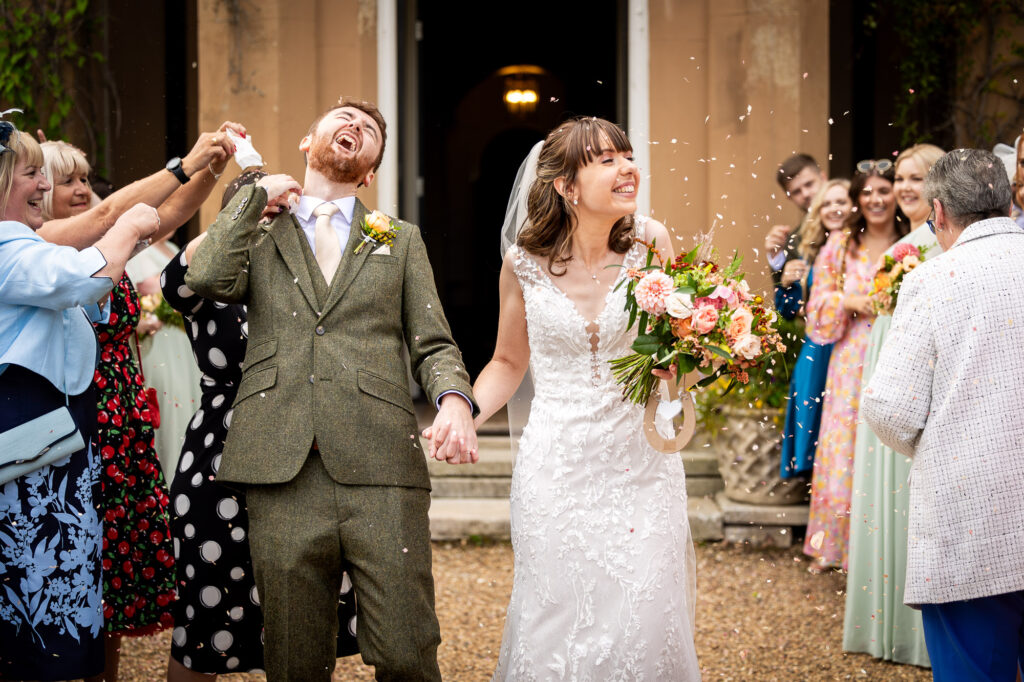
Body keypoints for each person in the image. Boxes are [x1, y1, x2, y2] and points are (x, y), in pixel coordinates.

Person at [185, 98, 478, 681]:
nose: (355, 128)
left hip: (381, 464)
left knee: (406, 649)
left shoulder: (399, 239)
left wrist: (454, 402)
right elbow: (206, 276)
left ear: (369, 170)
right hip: (280, 464)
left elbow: (434, 343)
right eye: (343, 119)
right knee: (295, 660)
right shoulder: (259, 231)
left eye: (369, 130)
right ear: (306, 140)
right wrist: (253, 195)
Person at [468, 117, 701, 679]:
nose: (627, 169)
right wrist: (464, 414)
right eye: (606, 160)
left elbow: (680, 349)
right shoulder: (523, 262)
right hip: (557, 466)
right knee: (555, 613)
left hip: (642, 464)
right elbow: (507, 361)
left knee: (645, 611)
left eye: (627, 156)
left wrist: (696, 358)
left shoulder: (653, 241)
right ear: (567, 187)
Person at [40, 124, 244, 682]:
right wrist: (186, 161)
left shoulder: (106, 245)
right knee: (73, 569)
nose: (83, 189)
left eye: (86, 178)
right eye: (67, 181)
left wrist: (212, 170)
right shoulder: (41, 248)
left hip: (121, 420)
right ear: (37, 194)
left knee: (111, 572)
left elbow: (170, 216)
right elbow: (110, 217)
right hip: (76, 420)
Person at [162, 169, 359, 680]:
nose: (274, 217)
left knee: (307, 612)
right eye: (262, 209)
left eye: (281, 208)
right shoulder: (208, 274)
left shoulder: (307, 276)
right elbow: (173, 282)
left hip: (303, 456)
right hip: (219, 457)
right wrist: (249, 204)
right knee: (204, 618)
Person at [0, 123, 158, 680]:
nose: (44, 183)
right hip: (23, 464)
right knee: (32, 610)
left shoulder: (18, 243)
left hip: (51, 454)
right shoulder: (5, 250)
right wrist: (131, 223)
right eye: (31, 173)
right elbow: (83, 278)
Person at [862, 148, 1024, 681]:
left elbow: (888, 409)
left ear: (938, 214)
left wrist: (943, 440)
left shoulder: (933, 281)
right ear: (1005, 200)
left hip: (973, 516)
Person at [843, 143, 943, 667]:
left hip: (921, 382)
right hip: (887, 372)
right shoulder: (905, 245)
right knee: (887, 492)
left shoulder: (943, 246)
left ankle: (923, 632)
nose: (904, 187)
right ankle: (887, 624)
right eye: (899, 177)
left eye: (915, 177)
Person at [802, 159, 907, 572]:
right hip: (851, 361)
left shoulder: (912, 242)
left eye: (884, 190)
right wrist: (848, 300)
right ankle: (833, 547)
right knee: (843, 448)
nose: (876, 199)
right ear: (857, 199)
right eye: (867, 192)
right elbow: (816, 308)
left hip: (900, 352)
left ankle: (883, 544)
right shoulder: (842, 245)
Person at [776, 179, 851, 479]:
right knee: (815, 441)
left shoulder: (861, 246)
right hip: (815, 350)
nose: (834, 209)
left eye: (841, 202)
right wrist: (786, 284)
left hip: (848, 347)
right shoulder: (811, 251)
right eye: (827, 203)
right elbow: (790, 310)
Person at [765, 153, 827, 285]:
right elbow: (786, 298)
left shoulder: (856, 217)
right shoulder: (794, 241)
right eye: (797, 191)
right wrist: (777, 257)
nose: (805, 194)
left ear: (823, 177)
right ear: (788, 197)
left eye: (809, 184)